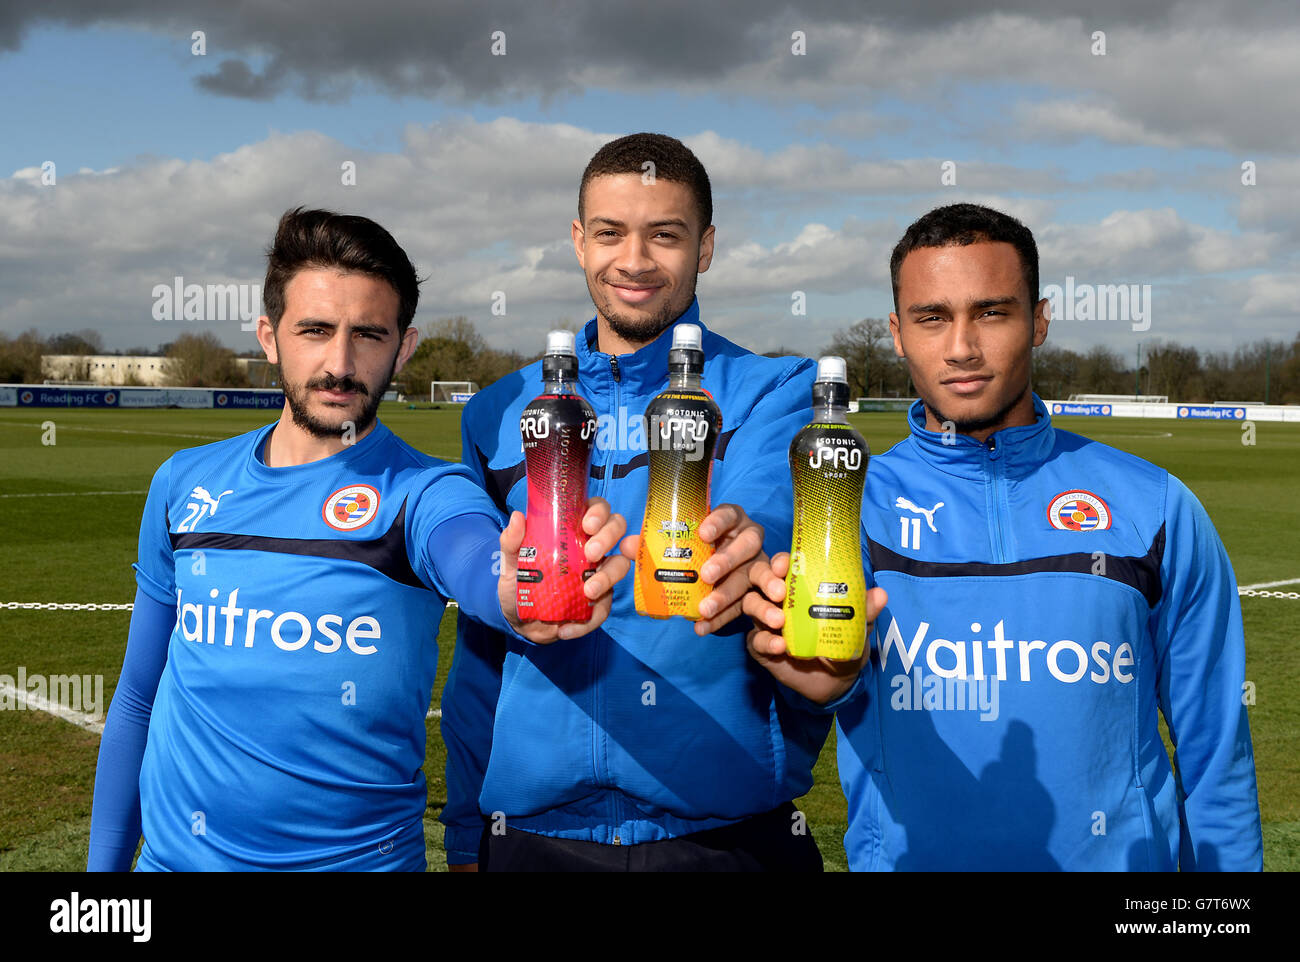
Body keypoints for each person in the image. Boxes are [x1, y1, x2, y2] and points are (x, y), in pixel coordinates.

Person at [87, 208, 628, 871]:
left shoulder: (425, 491)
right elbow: (140, 696)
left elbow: (471, 555)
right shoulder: (184, 483)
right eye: (314, 330)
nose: (340, 364)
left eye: (368, 335)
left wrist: (517, 589)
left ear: (403, 347)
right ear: (269, 337)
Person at [744, 203, 1263, 870]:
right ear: (897, 333)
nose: (961, 347)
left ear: (1038, 320)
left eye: (992, 312)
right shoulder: (842, 507)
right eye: (933, 318)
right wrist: (818, 682)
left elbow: (1216, 754)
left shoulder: (1155, 507)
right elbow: (801, 700)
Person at [440, 133, 831, 871]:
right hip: (533, 842)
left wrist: (745, 537)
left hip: (726, 838)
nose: (636, 261)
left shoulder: (774, 389)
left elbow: (771, 508)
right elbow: (482, 647)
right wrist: (465, 831)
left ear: (705, 247)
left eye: (666, 235)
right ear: (579, 241)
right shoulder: (500, 411)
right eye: (612, 233)